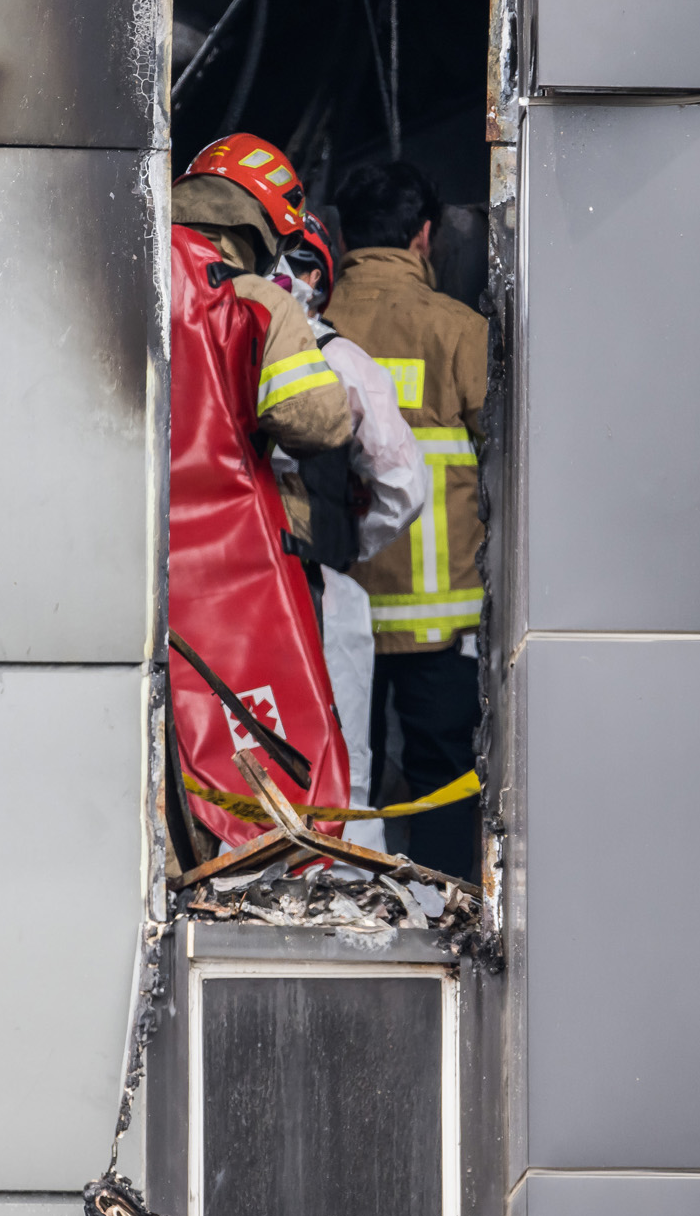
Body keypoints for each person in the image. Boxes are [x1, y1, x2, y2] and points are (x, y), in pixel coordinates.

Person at [168, 134, 355, 853]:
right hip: (223, 577)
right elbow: (312, 421)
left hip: (102, 558)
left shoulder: (111, 267)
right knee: (236, 763)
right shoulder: (253, 301)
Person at [323, 160, 489, 879]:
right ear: (425, 235)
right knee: (444, 778)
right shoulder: (458, 330)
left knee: (336, 776)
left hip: (333, 611)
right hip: (439, 618)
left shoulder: (309, 328)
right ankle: (444, 909)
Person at [269, 210, 429, 854]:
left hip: (222, 601)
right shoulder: (343, 361)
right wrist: (342, 547)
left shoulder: (202, 344)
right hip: (318, 592)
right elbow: (402, 485)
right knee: (341, 769)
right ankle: (348, 908)